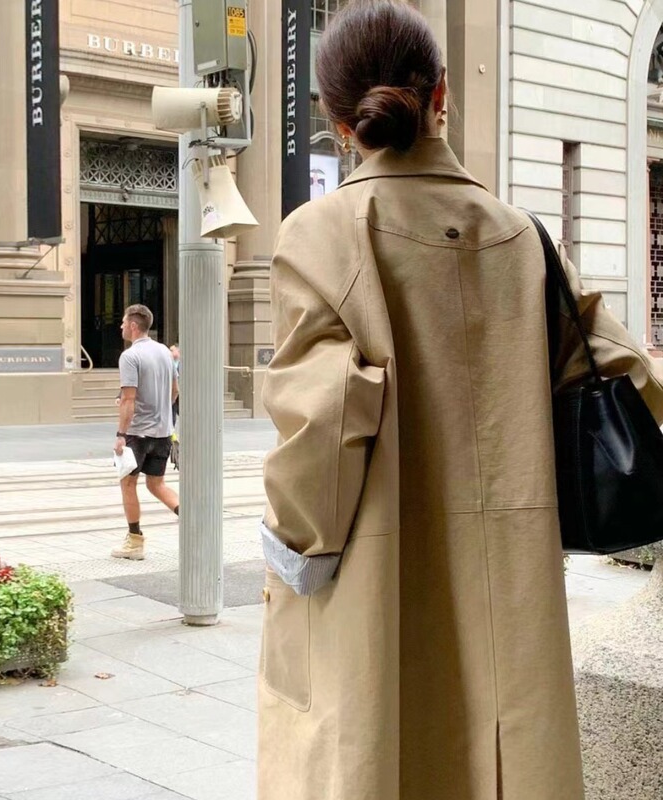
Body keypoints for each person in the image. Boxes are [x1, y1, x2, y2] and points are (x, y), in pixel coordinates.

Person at [257, 3, 663, 800]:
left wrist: (292, 554)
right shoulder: (524, 238)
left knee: (375, 757)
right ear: (441, 93)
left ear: (339, 121)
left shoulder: (320, 235)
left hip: (377, 590)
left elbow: (322, 427)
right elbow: (628, 376)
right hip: (511, 595)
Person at [112, 304, 179, 561]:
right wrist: (162, 413)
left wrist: (121, 434)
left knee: (128, 483)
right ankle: (193, 519)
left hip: (138, 433)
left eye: (123, 322)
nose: (120, 326)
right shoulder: (164, 352)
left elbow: (128, 399)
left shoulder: (130, 356)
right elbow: (175, 390)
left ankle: (134, 542)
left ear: (133, 325)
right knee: (157, 484)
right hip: (163, 431)